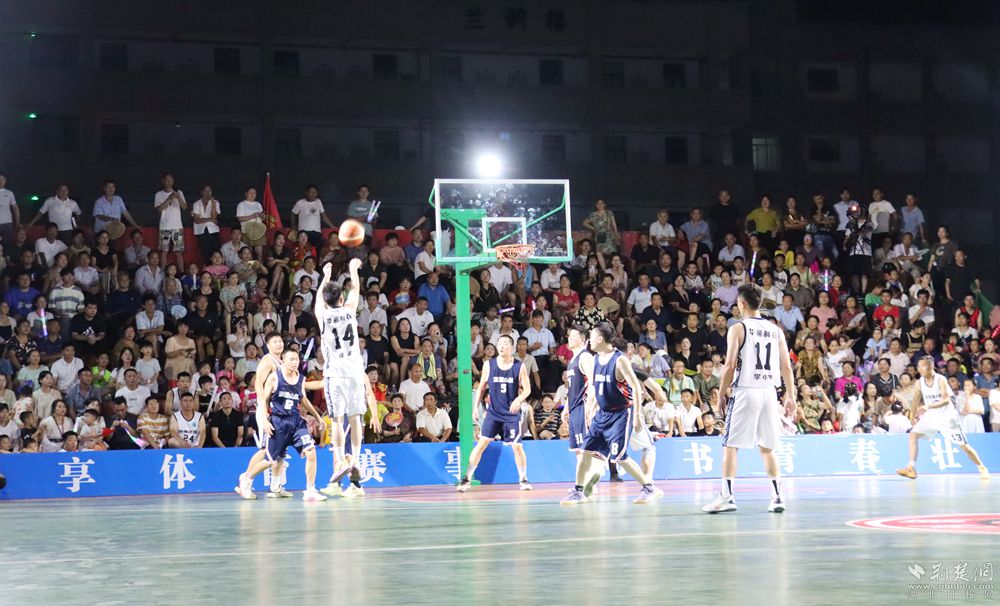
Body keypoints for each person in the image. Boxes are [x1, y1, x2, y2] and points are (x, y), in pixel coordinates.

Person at [702, 283, 796, 514]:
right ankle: (777, 497)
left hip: (746, 390)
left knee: (730, 446)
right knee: (768, 448)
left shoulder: (738, 328)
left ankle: (727, 497)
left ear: (741, 303)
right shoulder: (775, 330)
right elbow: (786, 366)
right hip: (769, 393)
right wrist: (791, 396)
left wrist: (721, 394)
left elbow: (729, 365)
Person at [561, 322, 662, 505]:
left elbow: (636, 387)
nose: (589, 340)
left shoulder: (619, 360)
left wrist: (637, 416)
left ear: (600, 339)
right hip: (603, 414)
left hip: (621, 414)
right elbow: (595, 387)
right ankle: (578, 491)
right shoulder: (596, 359)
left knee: (620, 458)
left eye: (591, 337)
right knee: (585, 451)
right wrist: (591, 407)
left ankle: (649, 488)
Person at [317, 258, 381, 496]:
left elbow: (319, 301)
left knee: (337, 420)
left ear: (326, 300)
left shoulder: (323, 315)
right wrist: (353, 269)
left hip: (335, 374)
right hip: (355, 372)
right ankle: (354, 458)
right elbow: (355, 289)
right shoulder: (349, 310)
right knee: (355, 419)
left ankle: (341, 460)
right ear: (341, 300)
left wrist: (325, 276)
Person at [235, 348, 326, 501]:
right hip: (278, 422)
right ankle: (247, 478)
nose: (294, 362)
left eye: (296, 359)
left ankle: (310, 490)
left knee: (311, 451)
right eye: (291, 359)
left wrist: (317, 416)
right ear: (283, 361)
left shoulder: (300, 379)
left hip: (296, 422)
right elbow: (263, 401)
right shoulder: (274, 378)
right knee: (271, 460)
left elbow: (303, 399)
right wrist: (265, 420)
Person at [457, 334, 533, 492]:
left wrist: (518, 399)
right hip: (494, 413)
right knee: (482, 443)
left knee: (517, 446)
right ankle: (467, 478)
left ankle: (523, 479)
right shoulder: (489, 365)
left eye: (505, 343)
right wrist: (475, 408)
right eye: (500, 343)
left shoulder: (519, 367)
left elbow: (527, 389)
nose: (502, 346)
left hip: (511, 414)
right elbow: (481, 387)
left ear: (512, 347)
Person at [896, 358, 989, 480]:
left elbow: (946, 400)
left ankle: (981, 467)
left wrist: (928, 406)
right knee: (913, 435)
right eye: (918, 367)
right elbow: (915, 401)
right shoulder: (920, 382)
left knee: (964, 447)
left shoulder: (940, 379)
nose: (919, 369)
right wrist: (912, 418)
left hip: (948, 418)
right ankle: (910, 468)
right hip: (932, 416)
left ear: (931, 367)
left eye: (922, 366)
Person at [154, 173, 187, 268]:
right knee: (164, 252)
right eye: (167, 180)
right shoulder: (159, 194)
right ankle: (162, 273)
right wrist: (168, 199)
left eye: (171, 180)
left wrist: (178, 197)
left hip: (177, 227)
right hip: (165, 227)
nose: (169, 182)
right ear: (163, 181)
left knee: (178, 252)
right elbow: (159, 209)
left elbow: (184, 207)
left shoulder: (179, 192)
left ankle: (181, 273)